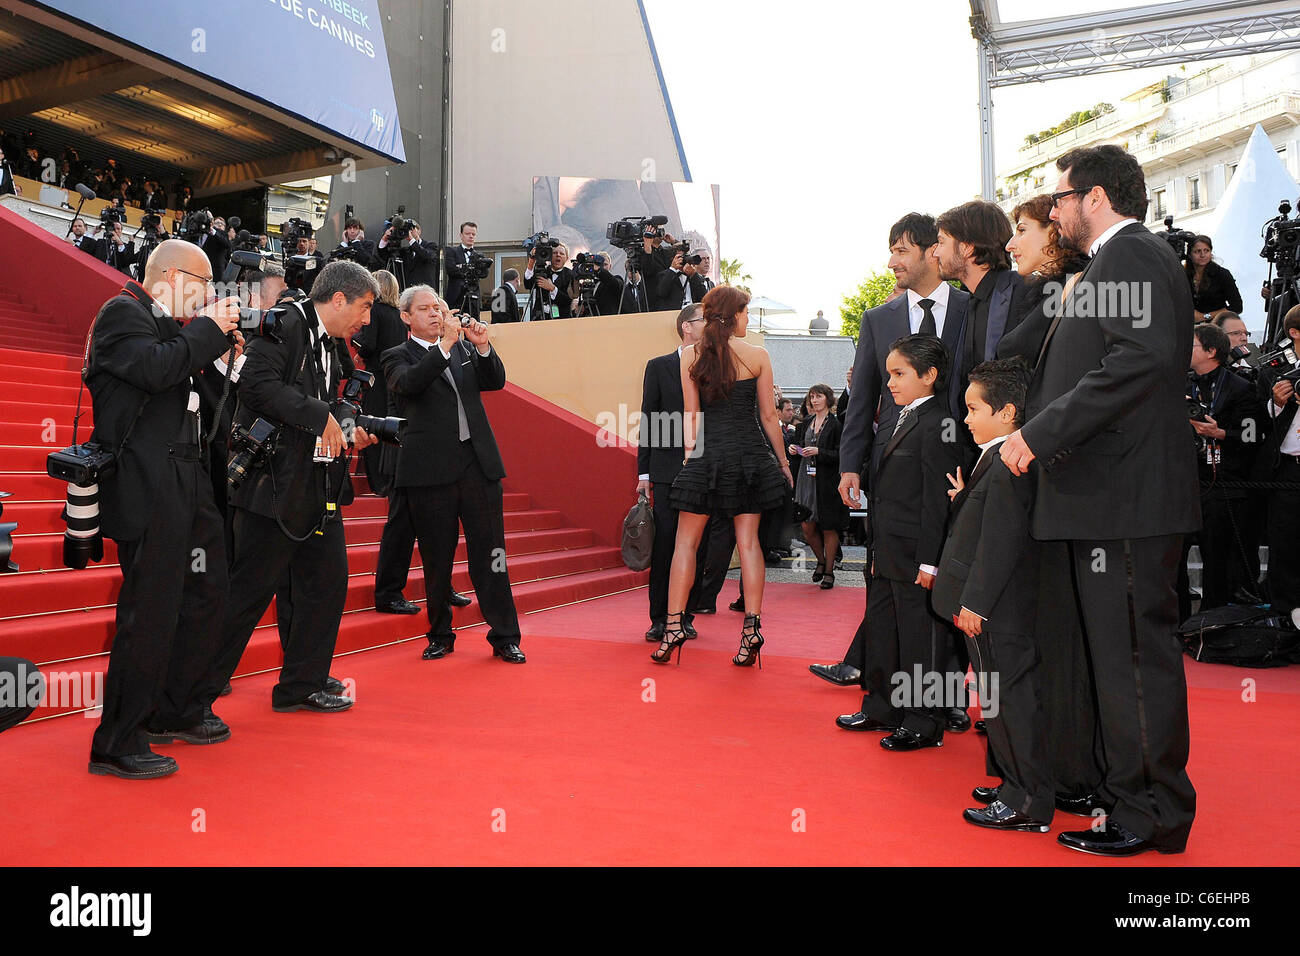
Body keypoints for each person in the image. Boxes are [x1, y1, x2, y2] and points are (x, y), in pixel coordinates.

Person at [1000, 144, 1200, 856]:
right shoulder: (1116, 263)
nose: (1052, 211)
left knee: (1131, 664)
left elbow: (1137, 362)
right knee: (1117, 660)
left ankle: (1149, 815)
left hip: (1125, 499)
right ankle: (1129, 798)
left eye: (1058, 197)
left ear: (1093, 197)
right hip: (1113, 497)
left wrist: (1039, 431)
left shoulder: (1133, 255)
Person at [84, 239, 240, 778]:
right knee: (149, 611)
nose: (209, 296)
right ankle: (117, 740)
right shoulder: (121, 313)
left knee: (207, 590)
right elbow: (155, 370)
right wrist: (206, 332)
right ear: (171, 276)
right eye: (202, 283)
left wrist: (222, 356)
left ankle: (173, 709)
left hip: (188, 478)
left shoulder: (176, 328)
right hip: (148, 482)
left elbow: (199, 393)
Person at [197, 261, 380, 716]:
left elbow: (329, 402)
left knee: (327, 583)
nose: (368, 319)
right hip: (273, 490)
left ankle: (302, 683)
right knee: (247, 597)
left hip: (315, 488)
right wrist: (321, 417)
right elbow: (257, 387)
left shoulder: (333, 342)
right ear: (338, 300)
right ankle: (189, 697)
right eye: (365, 307)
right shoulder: (287, 323)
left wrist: (348, 424)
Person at [812, 213, 970, 688]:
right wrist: (850, 466)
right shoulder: (878, 318)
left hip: (958, 464)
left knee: (947, 569)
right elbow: (862, 398)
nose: (892, 261)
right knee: (885, 576)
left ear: (930, 251)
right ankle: (882, 683)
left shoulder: (970, 309)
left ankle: (943, 694)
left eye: (901, 250)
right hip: (892, 467)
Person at [995, 194, 1106, 812]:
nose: (1015, 244)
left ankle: (1062, 774)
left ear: (1056, 234)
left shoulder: (1067, 290)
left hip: (1056, 484)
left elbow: (1007, 359)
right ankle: (1050, 769)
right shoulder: (1055, 290)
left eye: (1025, 229)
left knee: (1056, 635)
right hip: (1048, 480)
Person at [934, 357, 1054, 831]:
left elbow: (1001, 541)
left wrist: (975, 603)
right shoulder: (995, 459)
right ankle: (1012, 783)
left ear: (1007, 413)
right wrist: (965, 499)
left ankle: (1027, 800)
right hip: (996, 606)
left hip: (994, 609)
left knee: (1006, 700)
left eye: (973, 409)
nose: (965, 419)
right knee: (997, 698)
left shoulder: (1008, 464)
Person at [382, 287, 526, 663]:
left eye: (439, 307)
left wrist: (480, 347)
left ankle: (505, 635)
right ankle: (440, 634)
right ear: (405, 317)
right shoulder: (396, 356)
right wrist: (444, 347)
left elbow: (494, 381)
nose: (435, 313)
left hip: (477, 465)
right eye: (426, 309)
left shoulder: (462, 347)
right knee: (436, 557)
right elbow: (409, 386)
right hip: (429, 472)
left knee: (492, 553)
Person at [652, 286, 792, 666]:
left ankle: (673, 627)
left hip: (707, 459)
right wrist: (783, 463)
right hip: (750, 461)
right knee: (748, 545)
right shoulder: (758, 356)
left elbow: (691, 417)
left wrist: (688, 463)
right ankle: (751, 630)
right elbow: (768, 418)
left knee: (685, 544)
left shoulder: (689, 358)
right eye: (745, 313)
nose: (748, 320)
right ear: (733, 317)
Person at [838, 335, 963, 749]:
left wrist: (931, 562)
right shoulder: (899, 416)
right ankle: (882, 707)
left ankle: (924, 722)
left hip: (916, 554)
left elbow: (936, 501)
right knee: (883, 630)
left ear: (929, 376)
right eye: (889, 372)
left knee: (919, 638)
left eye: (899, 373)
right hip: (885, 548)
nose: (889, 382)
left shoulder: (940, 424)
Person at [1178, 323, 1263, 619]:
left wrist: (1220, 433)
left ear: (1211, 351)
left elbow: (1253, 437)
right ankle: (1179, 624)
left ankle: (1213, 623)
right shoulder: (1179, 385)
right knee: (1175, 558)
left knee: (1216, 558)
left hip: (1223, 484)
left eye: (1192, 345)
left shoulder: (1241, 388)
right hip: (1182, 483)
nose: (1185, 350)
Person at [637, 304, 710, 642]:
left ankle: (686, 614)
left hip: (702, 468)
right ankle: (658, 618)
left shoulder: (713, 368)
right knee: (666, 544)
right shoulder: (659, 367)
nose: (708, 325)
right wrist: (644, 474)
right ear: (686, 327)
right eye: (702, 320)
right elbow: (648, 420)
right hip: (666, 471)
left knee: (696, 546)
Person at [934, 200, 1027, 435]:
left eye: (942, 242)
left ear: (966, 248)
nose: (935, 252)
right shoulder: (962, 302)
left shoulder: (1025, 293)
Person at [1262, 305, 1300, 624]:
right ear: (1294, 333)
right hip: (1287, 469)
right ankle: (1284, 618)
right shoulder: (1276, 370)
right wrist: (1277, 401)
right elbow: (1264, 424)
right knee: (1284, 542)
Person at [790, 383, 848, 589]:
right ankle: (821, 561)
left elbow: (841, 454)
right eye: (812, 397)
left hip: (827, 482)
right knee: (806, 526)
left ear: (828, 399)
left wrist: (819, 452)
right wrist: (794, 448)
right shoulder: (805, 422)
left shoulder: (836, 425)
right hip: (806, 479)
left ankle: (829, 570)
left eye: (819, 396)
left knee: (828, 526)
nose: (814, 400)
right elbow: (798, 445)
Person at [1187, 236, 1243, 322]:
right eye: (1197, 251)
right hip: (1189, 328)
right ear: (1190, 254)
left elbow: (1237, 307)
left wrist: (1204, 316)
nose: (1202, 255)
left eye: (1206, 251)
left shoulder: (1222, 274)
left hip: (1217, 326)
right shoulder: (1184, 275)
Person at [380, 219, 440, 291]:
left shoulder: (431, 246)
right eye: (408, 230)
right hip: (408, 292)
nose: (410, 231)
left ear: (419, 231)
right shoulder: (406, 251)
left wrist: (411, 239)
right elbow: (385, 255)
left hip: (425, 291)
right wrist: (385, 238)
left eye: (412, 228)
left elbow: (425, 255)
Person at [524, 241, 574, 319]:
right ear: (550, 256)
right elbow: (528, 284)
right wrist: (531, 263)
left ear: (566, 258)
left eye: (562, 253)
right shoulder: (542, 271)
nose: (558, 255)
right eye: (555, 253)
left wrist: (552, 288)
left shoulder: (571, 275)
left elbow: (568, 299)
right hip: (540, 319)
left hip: (561, 320)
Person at [443, 221, 481, 311]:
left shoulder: (479, 256)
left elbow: (483, 273)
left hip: (473, 299)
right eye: (467, 233)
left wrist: (462, 267)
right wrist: (471, 270)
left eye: (473, 234)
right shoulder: (451, 251)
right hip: (456, 298)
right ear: (461, 235)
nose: (471, 236)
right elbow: (451, 270)